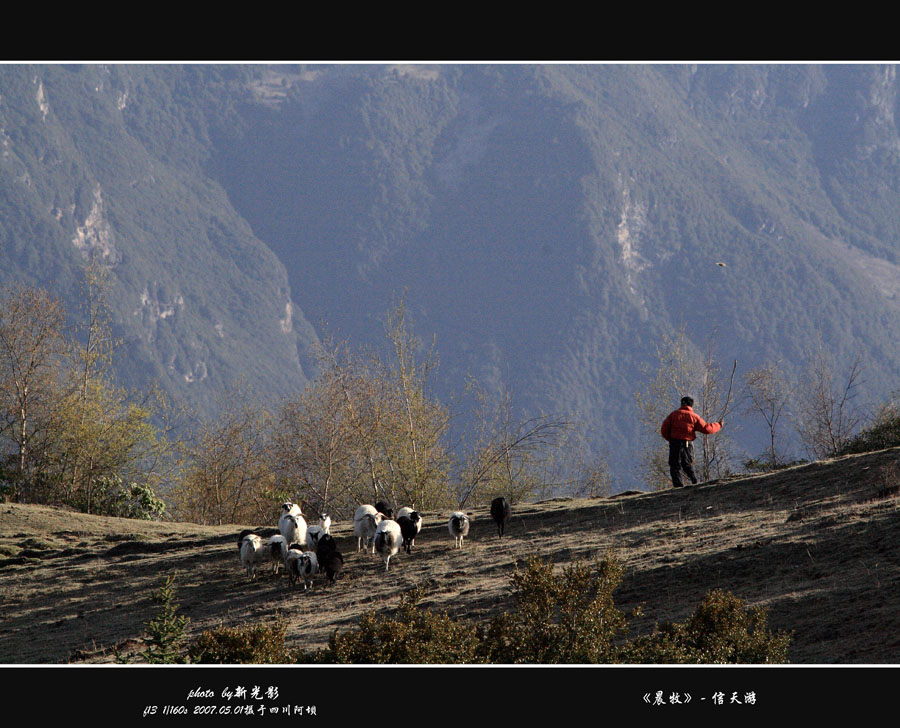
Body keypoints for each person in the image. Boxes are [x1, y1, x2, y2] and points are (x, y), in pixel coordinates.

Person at [660, 396, 722, 488]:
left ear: (683, 403)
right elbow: (707, 429)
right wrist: (719, 425)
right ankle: (694, 481)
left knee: (674, 465)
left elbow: (664, 429)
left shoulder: (674, 414)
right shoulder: (695, 417)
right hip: (687, 443)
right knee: (687, 464)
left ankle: (678, 486)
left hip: (675, 443)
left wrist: (670, 439)